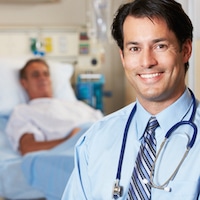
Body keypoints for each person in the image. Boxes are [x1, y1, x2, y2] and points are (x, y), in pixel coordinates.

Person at [61, 0, 200, 199]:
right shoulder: (95, 140)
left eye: (160, 46)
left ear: (186, 50)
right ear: (123, 57)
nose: (147, 62)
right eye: (135, 49)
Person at [6, 58, 103, 155]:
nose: (42, 78)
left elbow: (106, 125)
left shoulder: (76, 105)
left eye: (46, 74)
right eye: (35, 75)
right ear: (24, 83)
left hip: (100, 142)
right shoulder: (22, 111)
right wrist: (70, 140)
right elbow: (28, 148)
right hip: (75, 151)